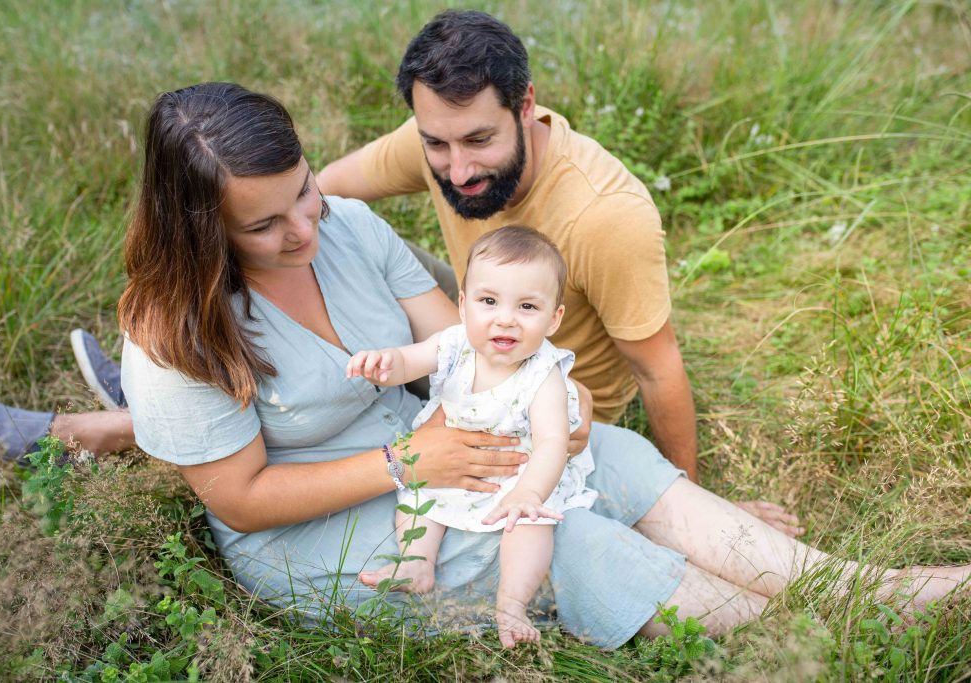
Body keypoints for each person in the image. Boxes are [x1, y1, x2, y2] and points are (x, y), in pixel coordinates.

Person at [0, 82, 967, 649]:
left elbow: (470, 340)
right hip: (324, 521)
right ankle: (812, 625)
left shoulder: (341, 223)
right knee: (559, 529)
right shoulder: (173, 332)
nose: (308, 225)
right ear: (195, 226)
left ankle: (869, 585)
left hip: (433, 442)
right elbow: (247, 499)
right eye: (265, 224)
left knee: (597, 453)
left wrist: (530, 407)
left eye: (305, 190)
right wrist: (415, 465)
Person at [315, 10, 804, 535]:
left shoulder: (605, 214)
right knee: (353, 240)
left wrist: (692, 498)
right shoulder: (444, 133)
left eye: (480, 141)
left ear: (525, 106)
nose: (457, 170)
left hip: (543, 400)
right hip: (478, 319)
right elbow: (325, 194)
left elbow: (658, 369)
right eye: (436, 144)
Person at [347, 226, 598, 647]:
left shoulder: (543, 374)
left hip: (520, 468)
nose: (505, 318)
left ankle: (511, 603)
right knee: (417, 497)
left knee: (530, 525)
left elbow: (553, 442)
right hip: (453, 460)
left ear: (554, 318)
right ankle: (416, 563)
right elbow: (415, 360)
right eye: (488, 301)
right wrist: (388, 363)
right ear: (463, 306)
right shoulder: (456, 344)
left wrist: (529, 492)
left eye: (527, 306)